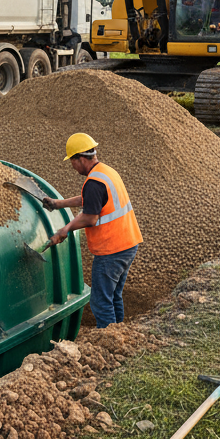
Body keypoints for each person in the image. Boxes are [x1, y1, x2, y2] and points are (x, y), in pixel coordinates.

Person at [43, 133, 142, 328]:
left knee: (100, 301)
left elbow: (90, 217)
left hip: (111, 251)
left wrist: (65, 229)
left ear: (80, 159)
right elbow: (90, 201)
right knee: (113, 296)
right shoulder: (105, 172)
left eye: (72, 161)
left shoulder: (94, 183)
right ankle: (119, 334)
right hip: (128, 243)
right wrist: (58, 204)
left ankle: (109, 341)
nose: (72, 166)